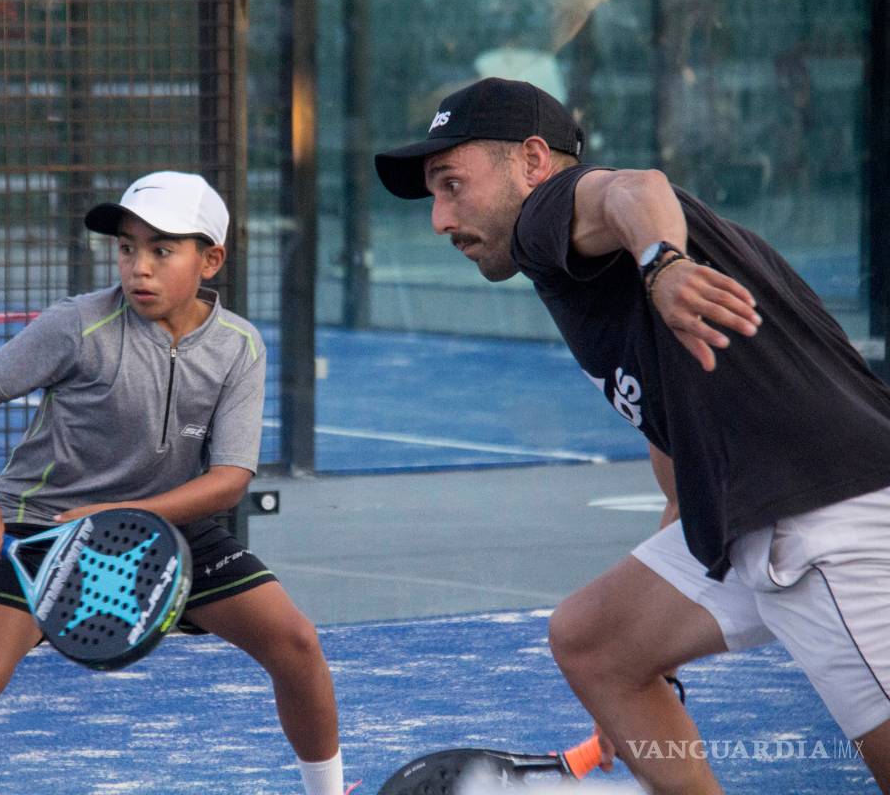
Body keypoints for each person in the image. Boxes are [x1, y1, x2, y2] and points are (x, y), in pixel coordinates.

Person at [374, 77, 890, 793]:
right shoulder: (601, 279)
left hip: (823, 515)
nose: (439, 218)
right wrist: (658, 659)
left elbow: (634, 188)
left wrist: (663, 265)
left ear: (533, 161)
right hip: (756, 507)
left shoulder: (549, 212)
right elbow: (678, 471)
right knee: (597, 642)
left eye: (452, 184)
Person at [0, 171, 353, 795]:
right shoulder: (76, 324)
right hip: (41, 527)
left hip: (166, 526)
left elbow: (227, 481)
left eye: (162, 250)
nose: (139, 267)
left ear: (210, 260)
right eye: (127, 248)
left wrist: (125, 513)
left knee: (295, 642)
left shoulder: (239, 347)